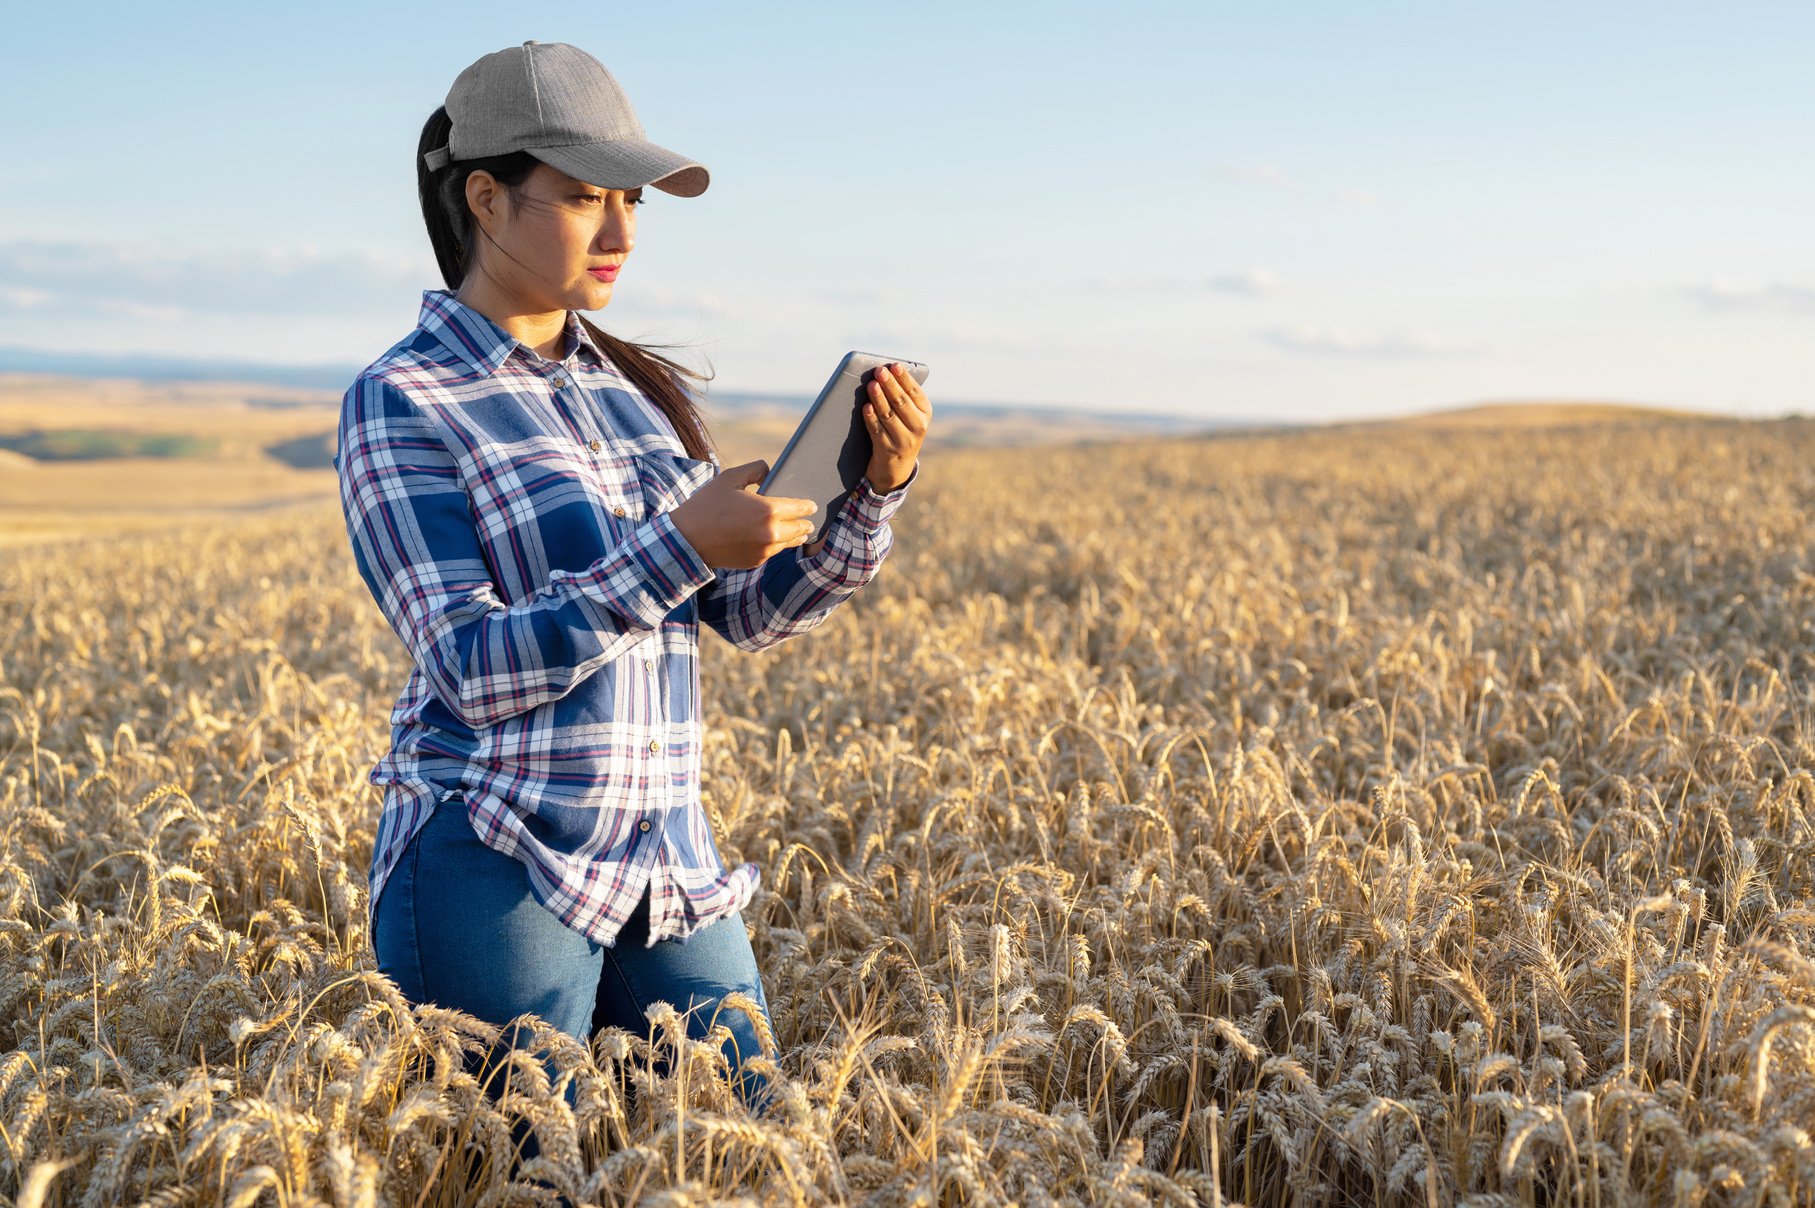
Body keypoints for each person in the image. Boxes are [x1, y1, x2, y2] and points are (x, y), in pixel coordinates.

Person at [334, 38, 930, 1177]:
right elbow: (469, 663)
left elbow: (745, 613)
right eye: (584, 197)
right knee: (530, 1181)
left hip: (668, 857)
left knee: (752, 1154)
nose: (619, 232)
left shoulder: (631, 400)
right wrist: (671, 548)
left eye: (630, 201)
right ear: (484, 196)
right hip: (496, 852)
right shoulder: (404, 399)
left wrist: (868, 493)